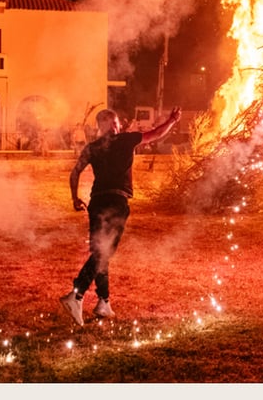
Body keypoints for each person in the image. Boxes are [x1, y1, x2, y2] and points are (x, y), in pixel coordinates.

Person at [59, 107, 182, 326]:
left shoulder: (93, 147)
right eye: (115, 123)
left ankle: (103, 302)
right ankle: (76, 295)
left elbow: (75, 172)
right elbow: (155, 134)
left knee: (100, 252)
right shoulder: (125, 139)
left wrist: (74, 198)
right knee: (103, 251)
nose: (117, 126)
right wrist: (172, 120)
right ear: (109, 125)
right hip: (117, 202)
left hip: (96, 202)